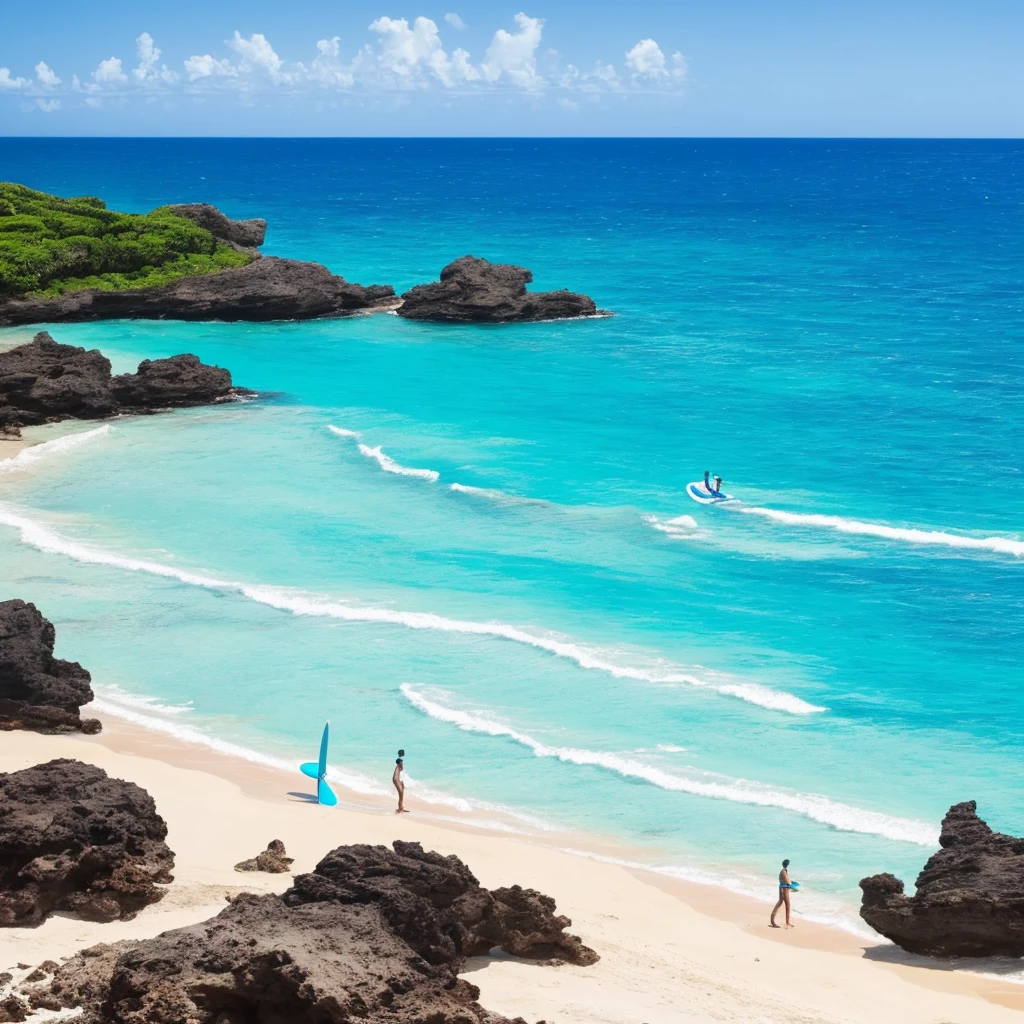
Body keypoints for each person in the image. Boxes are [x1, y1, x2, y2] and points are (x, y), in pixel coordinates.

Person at [770, 858, 794, 928]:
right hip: (783, 889)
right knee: (782, 904)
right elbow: (787, 881)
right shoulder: (783, 871)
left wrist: (790, 883)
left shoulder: (784, 871)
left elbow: (787, 880)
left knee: (786, 905)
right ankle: (773, 922)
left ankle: (786, 922)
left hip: (784, 888)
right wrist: (792, 885)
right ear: (787, 865)